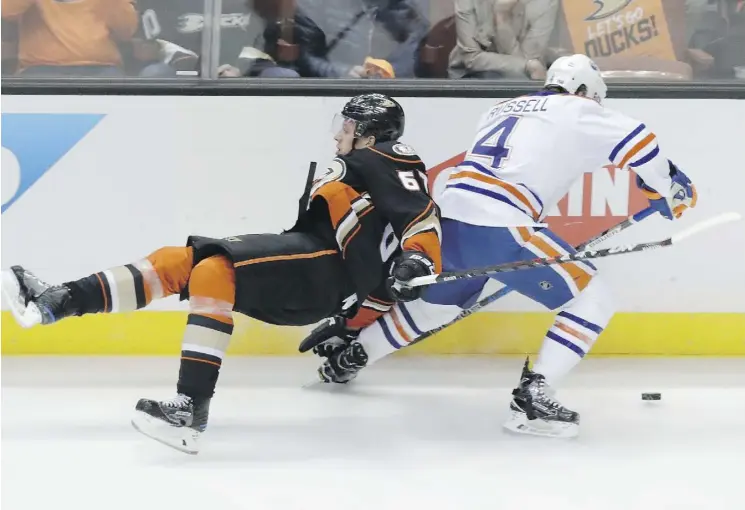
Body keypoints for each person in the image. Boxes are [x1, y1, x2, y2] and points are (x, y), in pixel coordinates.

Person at [1, 93, 442, 455]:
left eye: (346, 126)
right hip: (310, 262)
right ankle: (56, 302)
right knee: (179, 262)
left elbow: (419, 212)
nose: (337, 132)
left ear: (369, 134)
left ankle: (190, 408)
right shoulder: (365, 163)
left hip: (325, 270)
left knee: (215, 270)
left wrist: (418, 258)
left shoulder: (390, 155)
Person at [302, 54, 699, 438]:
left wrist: (652, 185)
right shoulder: (579, 108)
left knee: (433, 308)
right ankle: (535, 395)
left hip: (449, 219)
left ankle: (351, 358)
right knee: (593, 298)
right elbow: (642, 144)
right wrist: (667, 187)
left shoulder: (502, 108)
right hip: (503, 224)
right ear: (583, 90)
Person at [448, 0, 559, 80]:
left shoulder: (546, 3)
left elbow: (529, 62)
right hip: (471, 77)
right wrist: (526, 65)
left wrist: (502, 20)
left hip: (520, 81)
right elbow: (470, 58)